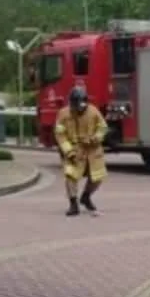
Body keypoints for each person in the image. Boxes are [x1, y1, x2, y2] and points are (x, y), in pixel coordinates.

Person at [55, 86, 108, 217]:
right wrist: (69, 152)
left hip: (92, 150)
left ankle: (86, 197)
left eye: (80, 105)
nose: (78, 109)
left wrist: (96, 138)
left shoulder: (93, 111)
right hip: (75, 150)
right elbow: (60, 135)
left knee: (97, 177)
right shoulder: (63, 114)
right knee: (70, 176)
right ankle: (73, 204)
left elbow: (103, 127)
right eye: (75, 105)